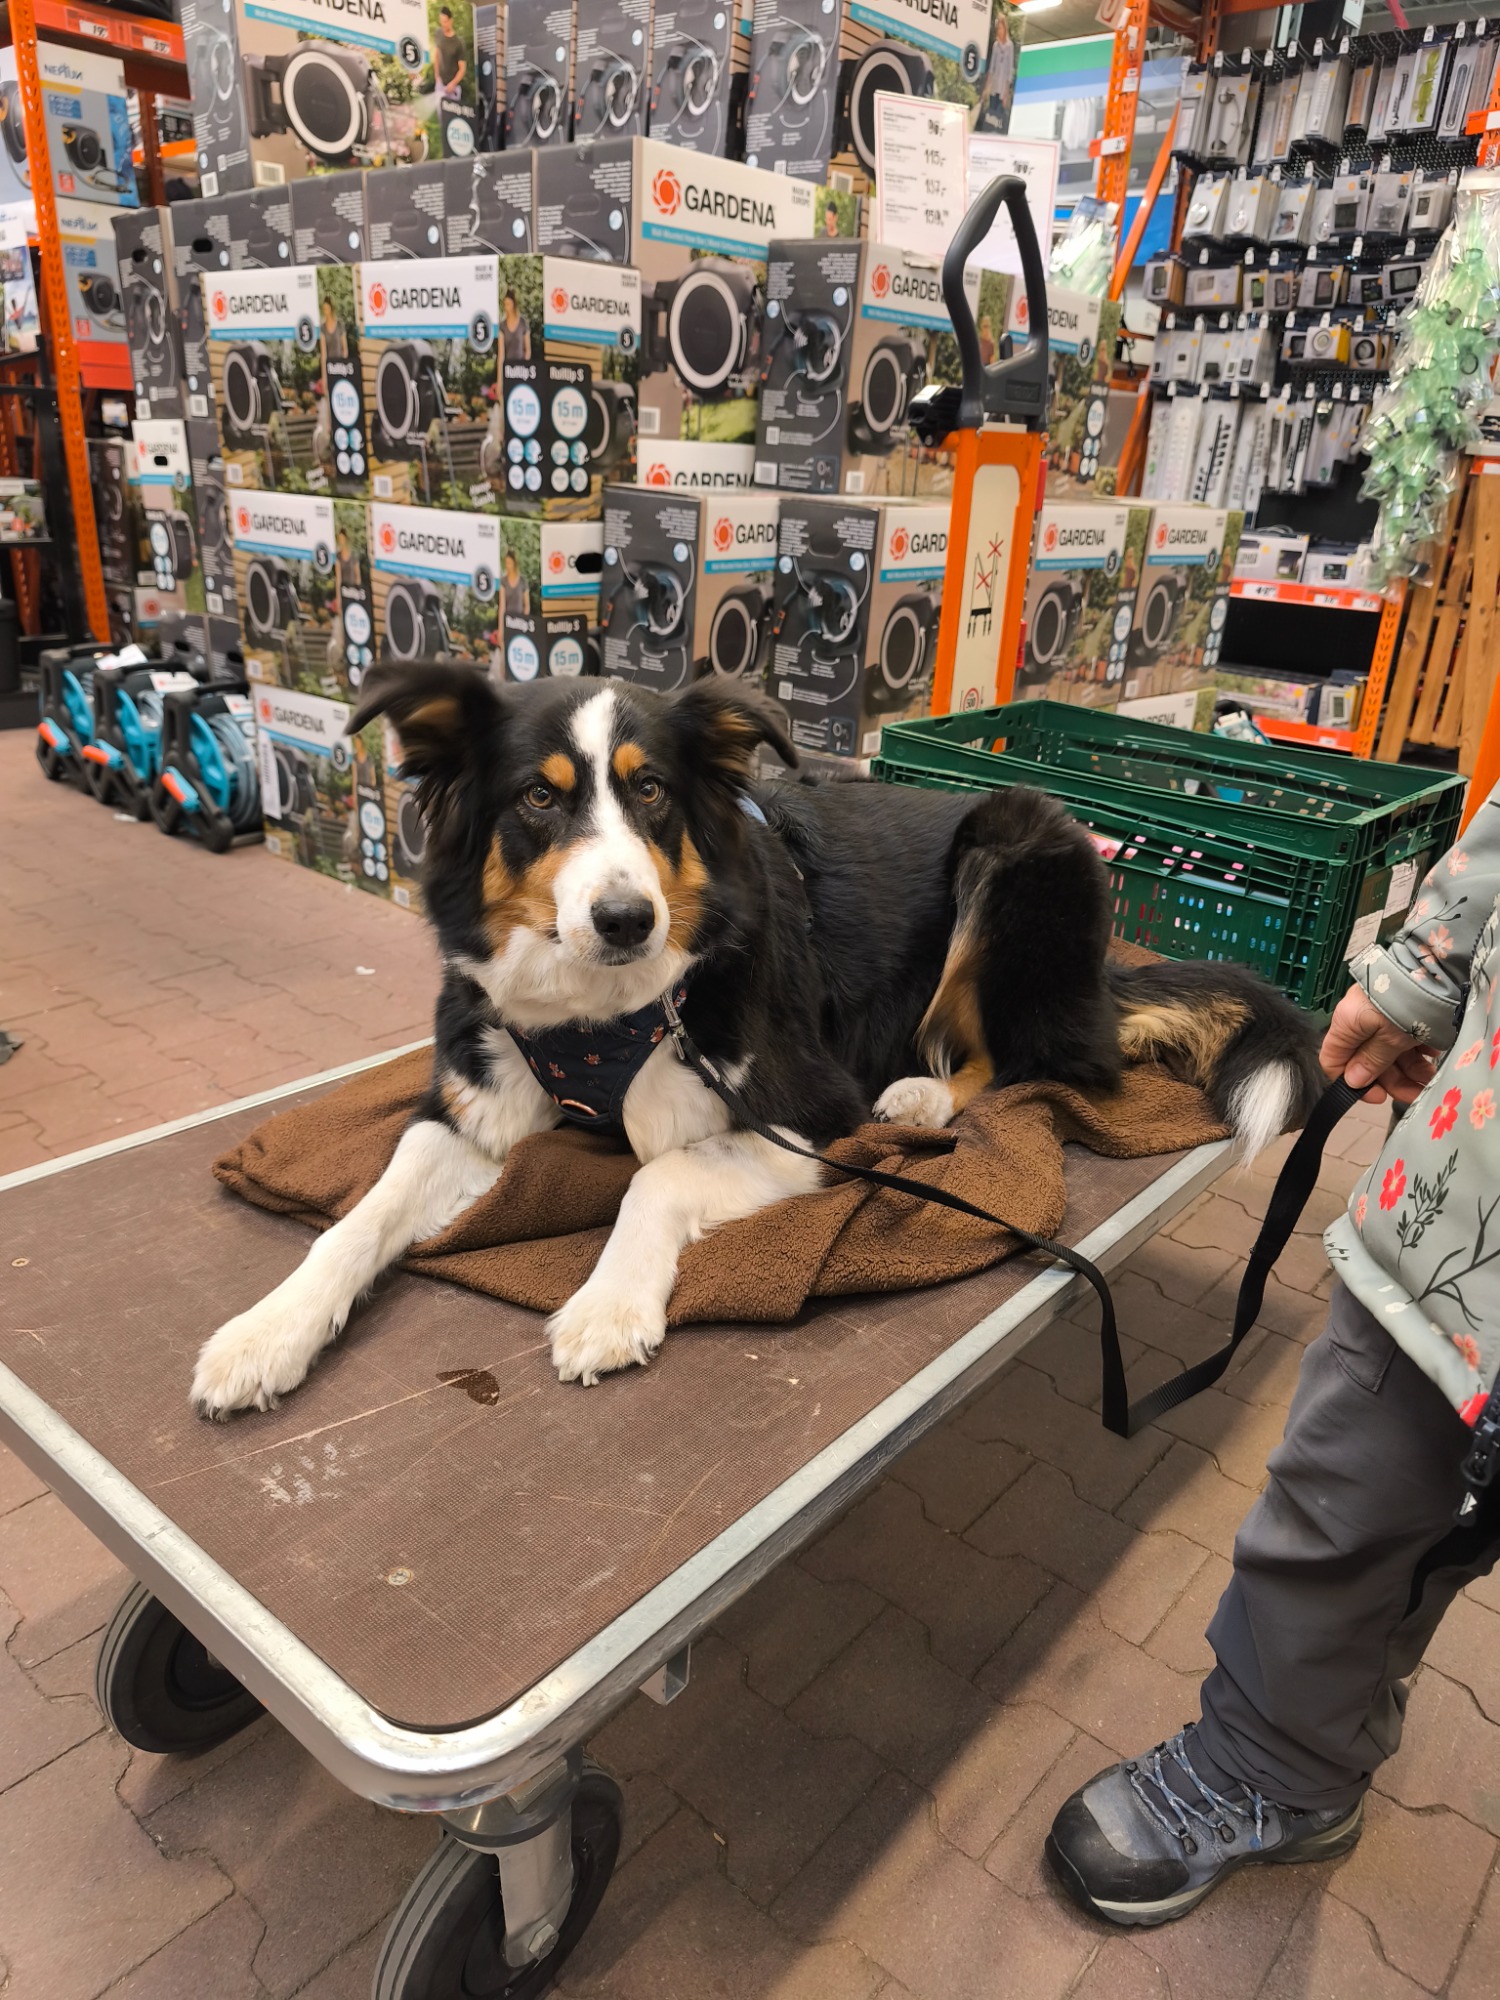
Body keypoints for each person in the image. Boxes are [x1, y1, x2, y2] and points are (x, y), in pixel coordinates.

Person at [1047, 796, 1500, 1927]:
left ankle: (1309, 1741)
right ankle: (1279, 1763)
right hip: (1465, 1215)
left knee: (1414, 1531)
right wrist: (1420, 975)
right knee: (1348, 1492)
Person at [433, 6, 467, 99]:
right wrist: (437, 76)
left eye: (445, 21)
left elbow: (462, 69)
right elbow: (436, 55)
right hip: (440, 84)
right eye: (441, 21)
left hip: (453, 88)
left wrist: (453, 83)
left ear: (451, 21)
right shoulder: (438, 33)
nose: (443, 24)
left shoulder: (458, 43)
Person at [501, 288, 530, 363]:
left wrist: (525, 365)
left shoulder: (523, 323)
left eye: (508, 304)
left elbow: (528, 350)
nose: (506, 307)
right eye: (505, 304)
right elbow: (501, 354)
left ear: (513, 304)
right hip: (508, 366)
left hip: (521, 365)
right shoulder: (502, 325)